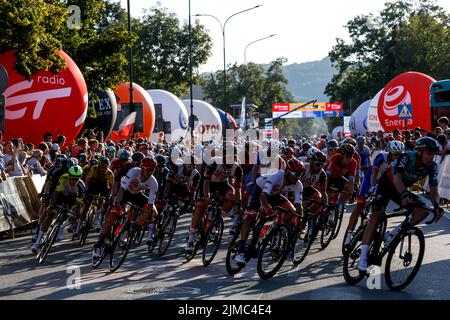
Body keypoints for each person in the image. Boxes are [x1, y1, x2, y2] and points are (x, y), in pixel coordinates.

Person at [357, 137, 444, 272]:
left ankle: (392, 234)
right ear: (420, 151)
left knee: (423, 211)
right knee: (377, 215)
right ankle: (362, 258)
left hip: (401, 189)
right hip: (387, 184)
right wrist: (404, 194)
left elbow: (433, 189)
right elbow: (397, 177)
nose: (431, 157)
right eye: (428, 153)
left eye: (433, 154)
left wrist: (437, 205)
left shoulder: (433, 166)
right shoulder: (407, 157)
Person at [343, 140, 405, 247]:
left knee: (379, 208)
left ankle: (369, 226)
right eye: (395, 154)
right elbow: (374, 172)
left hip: (384, 184)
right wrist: (372, 187)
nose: (397, 157)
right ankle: (349, 235)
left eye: (399, 155)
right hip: (371, 179)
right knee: (360, 205)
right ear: (389, 152)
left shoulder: (401, 161)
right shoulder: (382, 156)